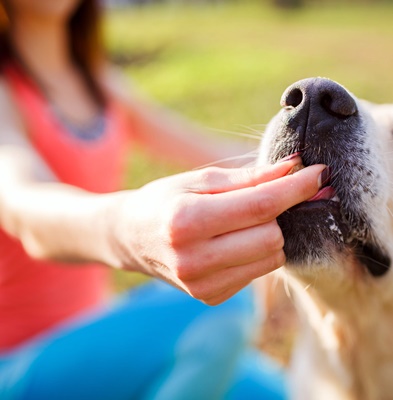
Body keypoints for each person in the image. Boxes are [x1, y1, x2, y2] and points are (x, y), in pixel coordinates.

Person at [0, 0, 326, 398]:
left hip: (102, 337)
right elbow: (27, 208)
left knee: (278, 393)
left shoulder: (100, 84)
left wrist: (316, 156)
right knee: (225, 312)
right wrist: (127, 231)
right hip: (17, 367)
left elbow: (215, 150)